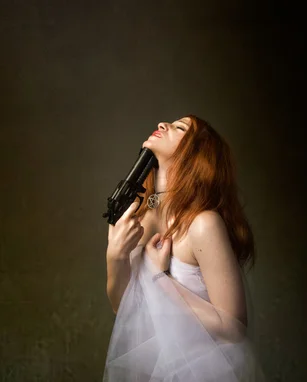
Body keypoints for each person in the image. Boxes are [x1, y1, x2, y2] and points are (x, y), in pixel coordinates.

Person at [103, 115, 266, 381]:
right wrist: (115, 255)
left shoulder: (203, 224)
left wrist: (159, 278)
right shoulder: (139, 216)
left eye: (179, 127)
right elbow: (122, 308)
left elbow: (233, 327)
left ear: (197, 153)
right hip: (153, 367)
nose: (162, 124)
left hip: (205, 370)